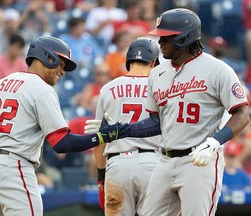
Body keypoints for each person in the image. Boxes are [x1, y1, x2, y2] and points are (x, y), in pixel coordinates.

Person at [85, 8, 250, 216]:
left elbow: (242, 114)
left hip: (199, 159)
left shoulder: (217, 69)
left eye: (165, 37)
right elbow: (155, 123)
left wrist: (216, 142)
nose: (160, 42)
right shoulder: (158, 74)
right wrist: (120, 130)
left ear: (184, 37)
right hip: (164, 161)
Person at [0, 36, 114, 216]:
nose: (63, 71)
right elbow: (62, 143)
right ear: (47, 57)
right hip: (14, 169)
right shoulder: (42, 89)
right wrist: (103, 136)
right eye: (61, 63)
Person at [85, 37, 161, 215]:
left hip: (117, 164)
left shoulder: (108, 88)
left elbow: (99, 140)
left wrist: (101, 177)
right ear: (153, 62)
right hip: (153, 163)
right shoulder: (160, 87)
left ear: (129, 61)